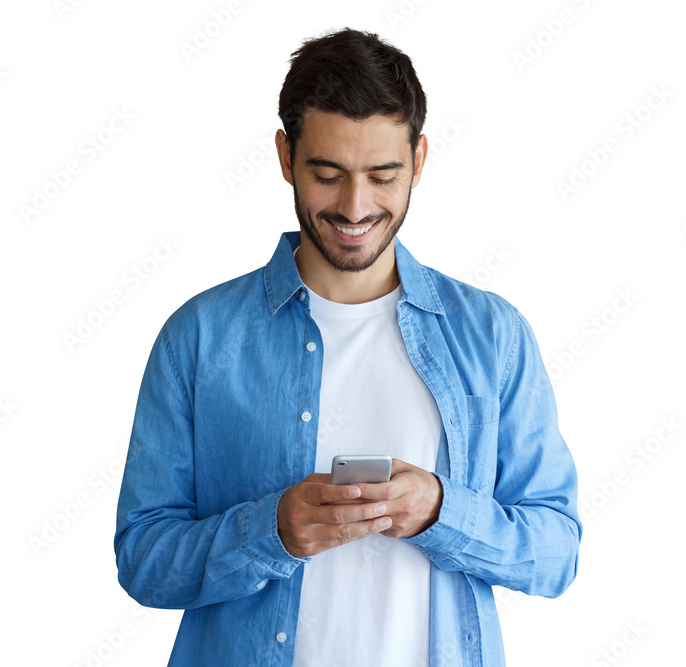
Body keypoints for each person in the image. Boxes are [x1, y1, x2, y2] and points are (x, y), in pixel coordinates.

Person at [113, 27, 581, 667]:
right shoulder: (198, 337)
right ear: (286, 157)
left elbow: (556, 554)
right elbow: (143, 561)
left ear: (419, 159)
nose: (355, 207)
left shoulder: (493, 335)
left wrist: (443, 512)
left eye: (382, 175)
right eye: (327, 175)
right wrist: (271, 532)